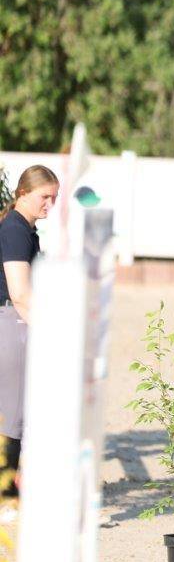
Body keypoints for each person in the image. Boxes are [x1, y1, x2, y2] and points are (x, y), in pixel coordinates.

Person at [0, 165, 59, 495]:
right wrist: (52, 334)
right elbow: (20, 292)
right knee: (13, 417)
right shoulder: (15, 230)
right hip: (13, 321)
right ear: (23, 194)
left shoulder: (25, 228)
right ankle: (7, 494)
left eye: (55, 198)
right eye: (44, 197)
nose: (50, 204)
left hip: (16, 320)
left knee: (17, 414)